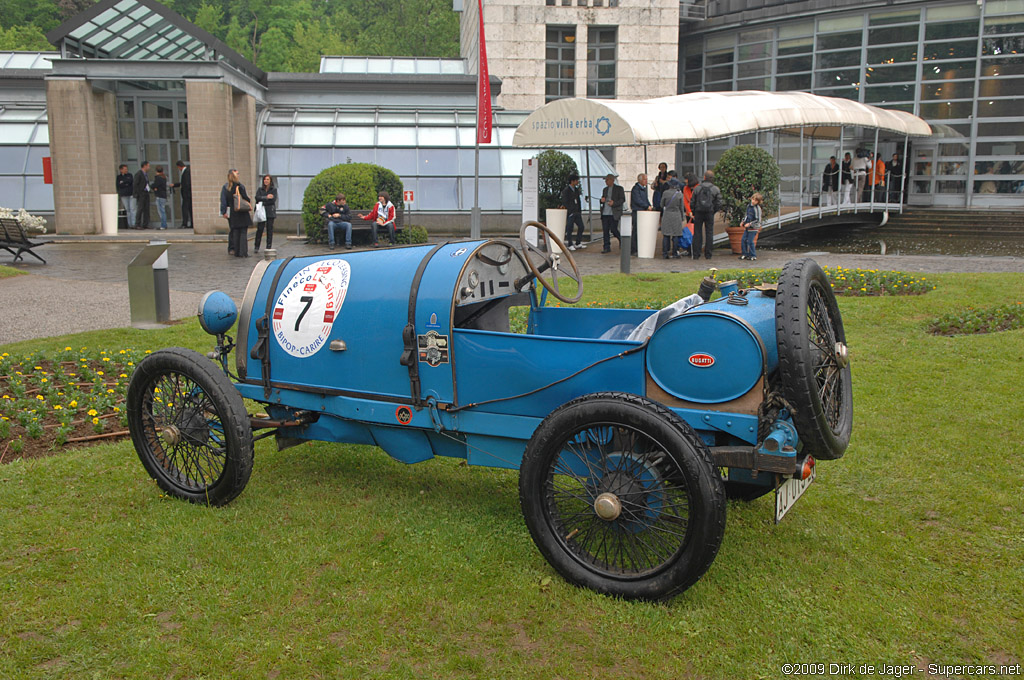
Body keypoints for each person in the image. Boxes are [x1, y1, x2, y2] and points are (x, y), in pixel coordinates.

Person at [690, 170, 722, 261]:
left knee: (697, 233)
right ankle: (708, 254)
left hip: (698, 212)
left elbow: (692, 201)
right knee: (709, 233)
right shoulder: (715, 189)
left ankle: (696, 254)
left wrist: (694, 211)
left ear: (704, 177)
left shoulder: (697, 188)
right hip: (709, 212)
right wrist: (713, 211)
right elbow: (719, 203)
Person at [220, 168, 252, 257]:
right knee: (242, 233)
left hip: (233, 213)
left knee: (235, 232)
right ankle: (243, 252)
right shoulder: (239, 187)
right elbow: (246, 198)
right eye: (237, 174)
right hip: (241, 212)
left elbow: (223, 200)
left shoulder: (227, 188)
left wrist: (223, 211)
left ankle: (236, 251)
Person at [659, 172, 685, 259]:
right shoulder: (680, 194)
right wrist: (682, 217)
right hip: (676, 214)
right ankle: (675, 252)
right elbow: (682, 207)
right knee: (676, 234)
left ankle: (665, 253)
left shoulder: (665, 193)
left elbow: (662, 204)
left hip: (667, 215)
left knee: (666, 234)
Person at [599, 173, 624, 253]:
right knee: (605, 230)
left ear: (612, 180)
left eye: (607, 180)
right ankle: (606, 247)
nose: (606, 182)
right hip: (605, 213)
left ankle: (621, 239)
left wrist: (614, 203)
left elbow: (622, 200)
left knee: (613, 229)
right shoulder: (605, 189)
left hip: (614, 213)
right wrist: (601, 200)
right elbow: (602, 199)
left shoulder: (619, 189)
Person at [560, 173, 585, 251]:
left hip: (577, 212)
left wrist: (579, 210)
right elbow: (565, 201)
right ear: (572, 181)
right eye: (576, 180)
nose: (577, 182)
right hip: (571, 212)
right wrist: (570, 211)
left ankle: (578, 242)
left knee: (581, 226)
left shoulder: (576, 190)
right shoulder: (566, 190)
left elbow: (578, 201)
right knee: (569, 228)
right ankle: (570, 244)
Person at [254, 174, 277, 253]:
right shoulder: (260, 189)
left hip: (270, 211)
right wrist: (266, 197)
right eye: (265, 179)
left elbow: (273, 200)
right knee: (260, 229)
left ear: (270, 181)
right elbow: (257, 198)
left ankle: (268, 246)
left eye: (267, 179)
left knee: (269, 229)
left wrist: (263, 200)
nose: (266, 181)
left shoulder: (273, 190)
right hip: (261, 211)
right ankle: (256, 246)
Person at [630, 173, 652, 256]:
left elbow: (646, 199)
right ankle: (634, 249)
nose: (646, 181)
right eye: (644, 179)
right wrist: (646, 206)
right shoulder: (636, 189)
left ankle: (640, 248)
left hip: (643, 212)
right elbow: (638, 200)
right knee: (636, 231)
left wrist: (649, 206)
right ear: (640, 180)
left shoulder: (644, 189)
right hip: (637, 212)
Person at [739, 192, 763, 261]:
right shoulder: (749, 206)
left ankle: (753, 255)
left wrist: (750, 224)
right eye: (753, 199)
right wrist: (743, 221)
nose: (753, 201)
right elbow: (746, 215)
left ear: (758, 202)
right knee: (743, 240)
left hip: (754, 227)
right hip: (747, 226)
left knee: (750, 241)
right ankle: (744, 254)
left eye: (755, 200)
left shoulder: (757, 208)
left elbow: (757, 219)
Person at [171, 160, 192, 228]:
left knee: (185, 209)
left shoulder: (186, 172)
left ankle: (184, 223)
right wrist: (175, 185)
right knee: (189, 209)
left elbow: (186, 184)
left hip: (187, 195)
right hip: (187, 195)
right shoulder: (186, 172)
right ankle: (190, 223)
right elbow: (183, 183)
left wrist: (186, 192)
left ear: (179, 167)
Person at [132, 161, 151, 229]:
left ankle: (145, 223)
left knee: (146, 209)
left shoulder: (146, 174)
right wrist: (136, 194)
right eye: (148, 166)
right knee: (140, 209)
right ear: (144, 166)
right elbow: (135, 184)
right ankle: (137, 224)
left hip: (146, 193)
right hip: (141, 194)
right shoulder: (139, 174)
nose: (149, 167)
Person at [116, 164, 134, 229]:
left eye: (126, 169)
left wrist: (123, 182)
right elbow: (119, 185)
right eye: (124, 169)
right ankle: (129, 224)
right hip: (124, 195)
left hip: (131, 194)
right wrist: (125, 183)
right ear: (121, 170)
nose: (126, 170)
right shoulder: (119, 177)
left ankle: (133, 223)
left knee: (132, 208)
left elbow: (130, 181)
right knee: (127, 209)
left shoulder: (130, 175)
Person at [152, 166, 168, 230]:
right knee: (162, 210)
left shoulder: (158, 178)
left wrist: (154, 187)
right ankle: (164, 224)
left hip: (159, 196)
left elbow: (154, 185)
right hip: (163, 196)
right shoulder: (164, 177)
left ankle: (163, 225)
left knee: (161, 211)